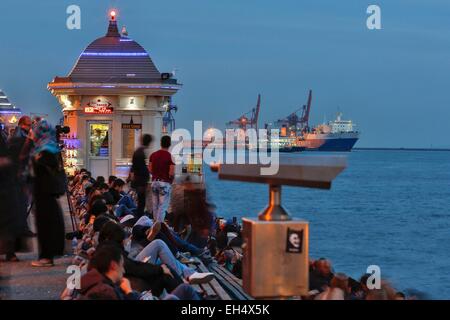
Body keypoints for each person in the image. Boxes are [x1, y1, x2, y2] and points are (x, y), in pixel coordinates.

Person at [79, 244, 201, 300]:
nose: (123, 269)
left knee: (184, 288)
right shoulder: (105, 291)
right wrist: (129, 292)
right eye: (122, 265)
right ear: (113, 265)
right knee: (184, 290)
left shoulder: (97, 282)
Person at [29, 120, 66, 267]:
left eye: (34, 131)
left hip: (45, 193)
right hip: (47, 193)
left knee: (46, 225)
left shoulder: (45, 152)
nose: (32, 134)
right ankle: (47, 255)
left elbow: (40, 172)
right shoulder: (50, 148)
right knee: (48, 223)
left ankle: (46, 257)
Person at [0, 121, 28, 261]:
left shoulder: (6, 140)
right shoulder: (9, 139)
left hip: (7, 185)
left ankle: (9, 251)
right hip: (6, 185)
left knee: (8, 220)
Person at [149, 135, 175, 222]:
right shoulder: (170, 156)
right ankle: (159, 227)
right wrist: (171, 180)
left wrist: (156, 174)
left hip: (154, 182)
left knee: (155, 206)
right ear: (169, 144)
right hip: (164, 183)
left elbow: (150, 169)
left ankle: (154, 226)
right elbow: (171, 173)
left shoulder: (153, 155)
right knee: (162, 207)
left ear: (161, 143)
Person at [130, 134, 152, 218]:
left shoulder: (139, 151)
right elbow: (140, 168)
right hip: (141, 181)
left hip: (139, 180)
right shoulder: (140, 152)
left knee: (141, 201)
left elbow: (134, 166)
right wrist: (146, 175)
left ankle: (139, 216)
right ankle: (139, 218)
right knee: (141, 201)